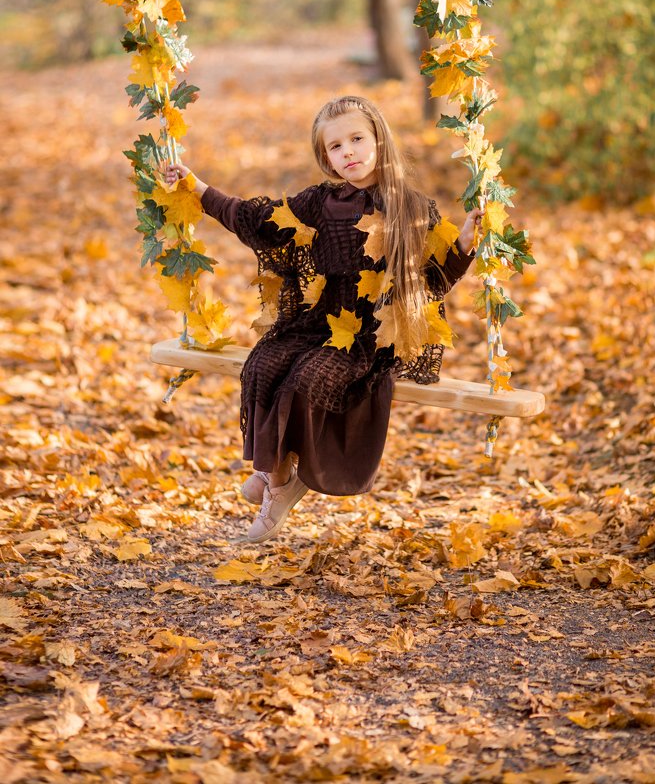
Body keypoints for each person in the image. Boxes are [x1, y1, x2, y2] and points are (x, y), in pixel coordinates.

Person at [165, 95, 480, 545]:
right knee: (261, 365)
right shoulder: (319, 202)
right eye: (335, 146)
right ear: (325, 157)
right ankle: (274, 470)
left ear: (379, 141)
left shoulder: (410, 208)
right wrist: (199, 189)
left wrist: (464, 247)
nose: (348, 152)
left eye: (356, 139)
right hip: (316, 322)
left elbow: (430, 280)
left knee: (306, 380)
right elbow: (257, 219)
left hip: (368, 336)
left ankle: (276, 486)